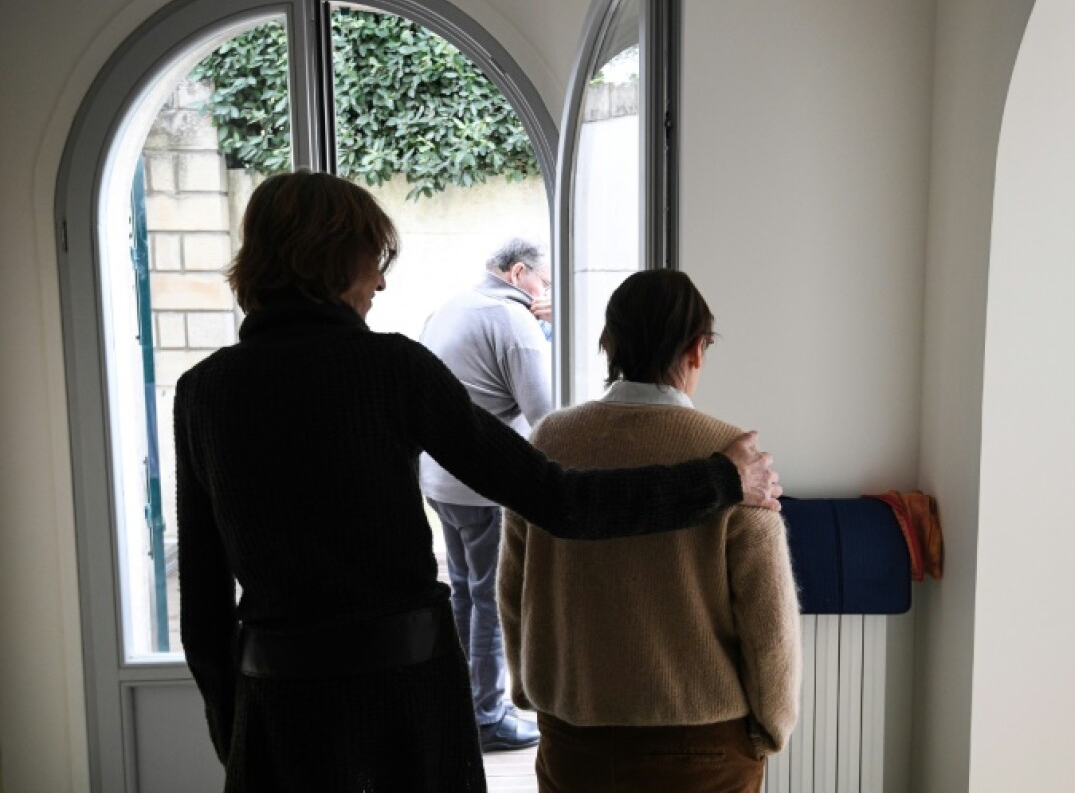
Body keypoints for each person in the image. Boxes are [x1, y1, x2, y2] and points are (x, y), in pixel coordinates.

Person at [173, 171, 782, 793]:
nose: (380, 281)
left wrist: (235, 730)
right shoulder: (392, 369)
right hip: (406, 705)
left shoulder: (202, 392)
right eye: (371, 260)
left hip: (278, 706)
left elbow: (203, 598)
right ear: (329, 258)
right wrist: (719, 479)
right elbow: (560, 501)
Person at [499, 269, 802, 793]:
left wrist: (530, 689)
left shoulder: (549, 440)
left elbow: (513, 586)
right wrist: (773, 725)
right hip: (703, 742)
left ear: (608, 344)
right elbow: (767, 618)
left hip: (574, 730)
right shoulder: (733, 458)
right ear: (697, 349)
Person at [417, 237, 553, 750]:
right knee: (493, 600)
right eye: (542, 280)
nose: (544, 291)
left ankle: (462, 704)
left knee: (466, 594)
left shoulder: (452, 307)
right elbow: (545, 416)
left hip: (441, 480)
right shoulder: (513, 323)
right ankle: (488, 717)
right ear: (519, 273)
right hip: (485, 487)